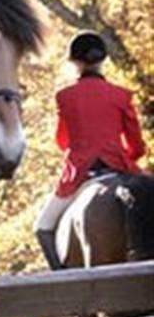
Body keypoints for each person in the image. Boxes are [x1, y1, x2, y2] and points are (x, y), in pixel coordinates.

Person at [34, 32, 147, 270]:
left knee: (42, 227)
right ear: (103, 60)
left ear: (74, 63)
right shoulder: (122, 95)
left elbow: (62, 141)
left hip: (81, 172)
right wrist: (125, 159)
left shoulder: (65, 97)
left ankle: (64, 286)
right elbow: (138, 146)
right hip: (121, 166)